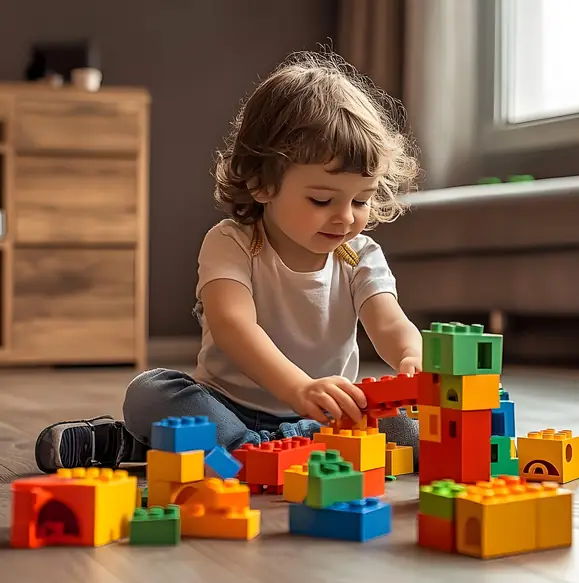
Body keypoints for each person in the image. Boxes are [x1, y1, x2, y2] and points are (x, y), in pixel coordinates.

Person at [34, 50, 423, 475]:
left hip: (321, 417)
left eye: (361, 200)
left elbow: (389, 323)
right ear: (260, 183)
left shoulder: (359, 255)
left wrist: (411, 356)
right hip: (228, 407)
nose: (346, 216)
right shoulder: (232, 242)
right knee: (151, 391)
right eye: (322, 199)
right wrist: (299, 388)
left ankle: (181, 451)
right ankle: (260, 451)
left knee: (406, 430)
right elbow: (234, 326)